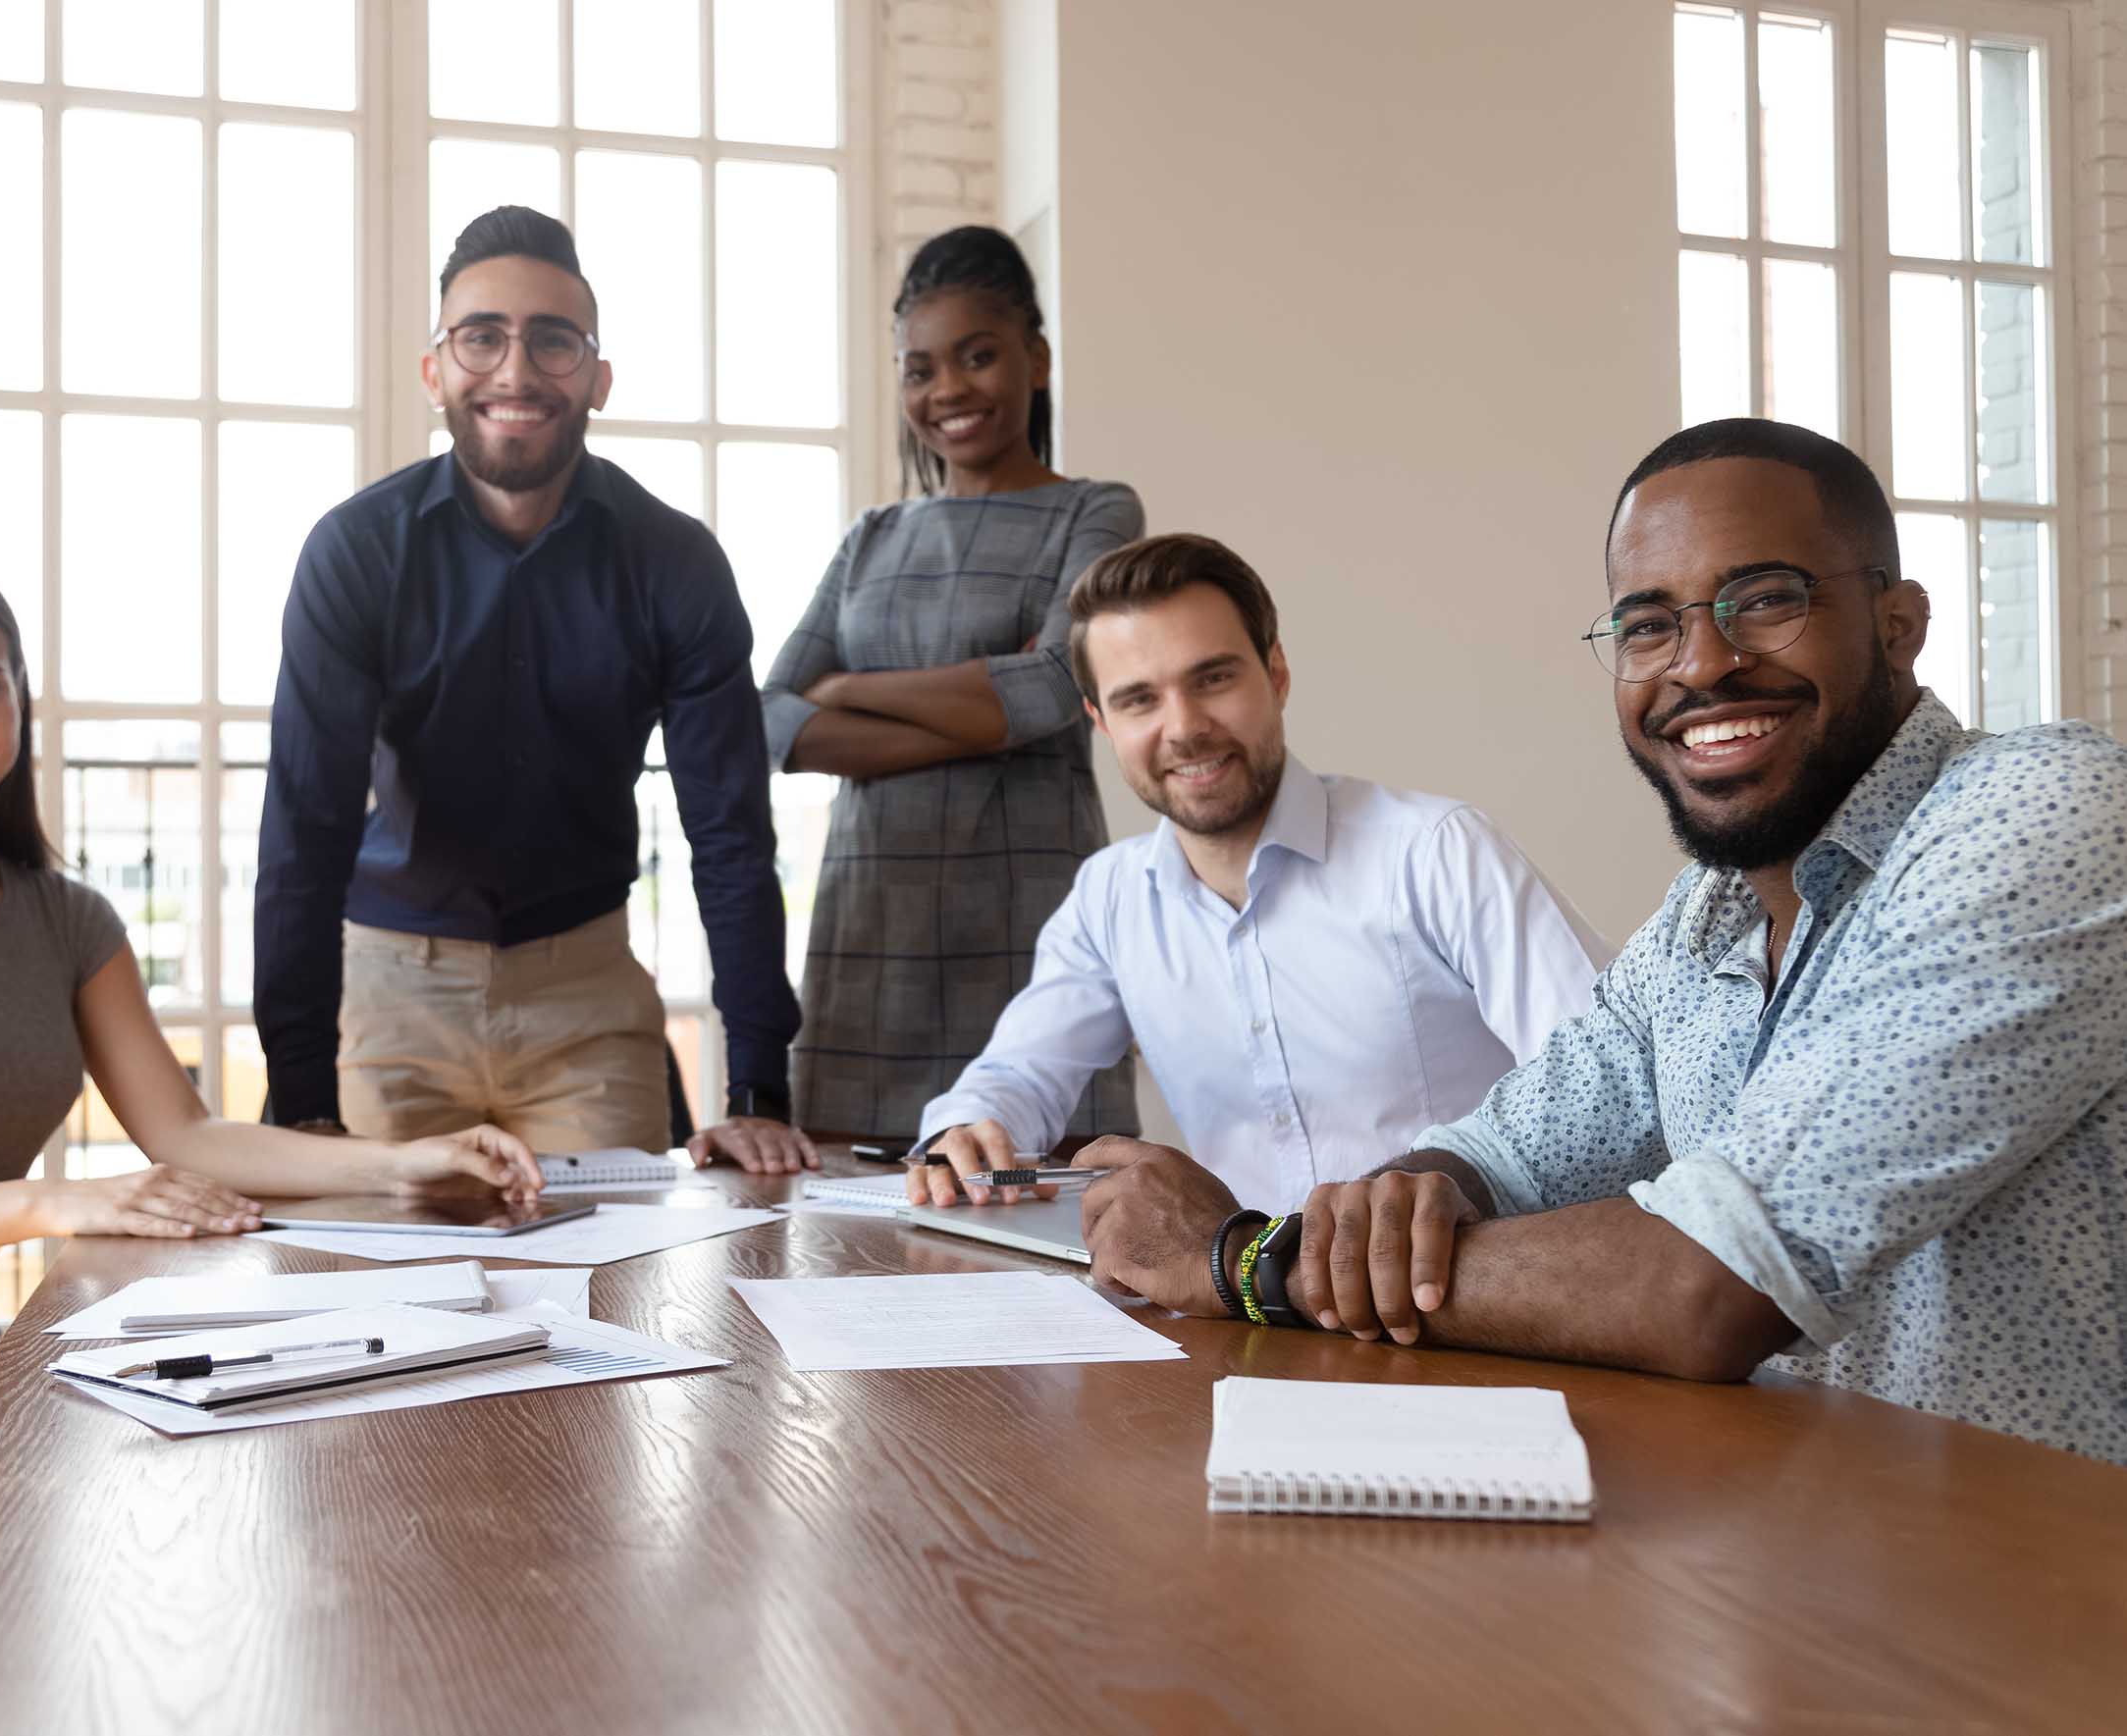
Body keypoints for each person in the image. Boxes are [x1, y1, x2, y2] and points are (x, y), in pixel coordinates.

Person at [1077, 420, 2127, 1466]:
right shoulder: (1706, 910)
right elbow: (1507, 1150)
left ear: (1897, 623)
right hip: (1795, 1558)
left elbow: (1709, 1284)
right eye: (1647, 625)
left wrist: (1251, 1259)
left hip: (2042, 1593)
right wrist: (1410, 1198)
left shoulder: (2043, 810)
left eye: (1763, 599)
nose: (1702, 664)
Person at [0, 546, 546, 1614]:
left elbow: (184, 1132)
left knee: (229, 1472)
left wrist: (406, 1158)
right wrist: (55, 1198)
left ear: (18, 700)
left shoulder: (64, 918)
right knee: (82, 1528)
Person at [254, 206, 812, 1174]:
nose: (515, 371)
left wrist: (756, 1086)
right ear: (436, 370)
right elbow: (305, 827)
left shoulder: (673, 562)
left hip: (584, 997)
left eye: (551, 340)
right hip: (390, 992)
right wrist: (302, 1095)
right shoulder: (355, 553)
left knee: (621, 1288)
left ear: (596, 375)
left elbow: (727, 830)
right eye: (482, 337)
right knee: (379, 1295)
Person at [909, 532, 1608, 1210]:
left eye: (1211, 678)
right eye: (1139, 699)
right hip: (1242, 1305)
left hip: (1465, 1296)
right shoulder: (1108, 897)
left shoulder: (1437, 852)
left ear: (1276, 674)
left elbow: (1609, 1080)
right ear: (1100, 720)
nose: (1183, 727)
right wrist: (972, 1125)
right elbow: (1021, 1074)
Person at [761, 226, 1144, 1139]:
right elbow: (772, 718)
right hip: (871, 934)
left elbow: (1054, 687)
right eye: (920, 369)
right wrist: (986, 711)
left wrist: (849, 686)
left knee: (1048, 1221)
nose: (948, 391)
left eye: (978, 357)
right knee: (846, 1244)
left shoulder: (1095, 510)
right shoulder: (871, 536)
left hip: (1027, 924)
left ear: (1036, 359)